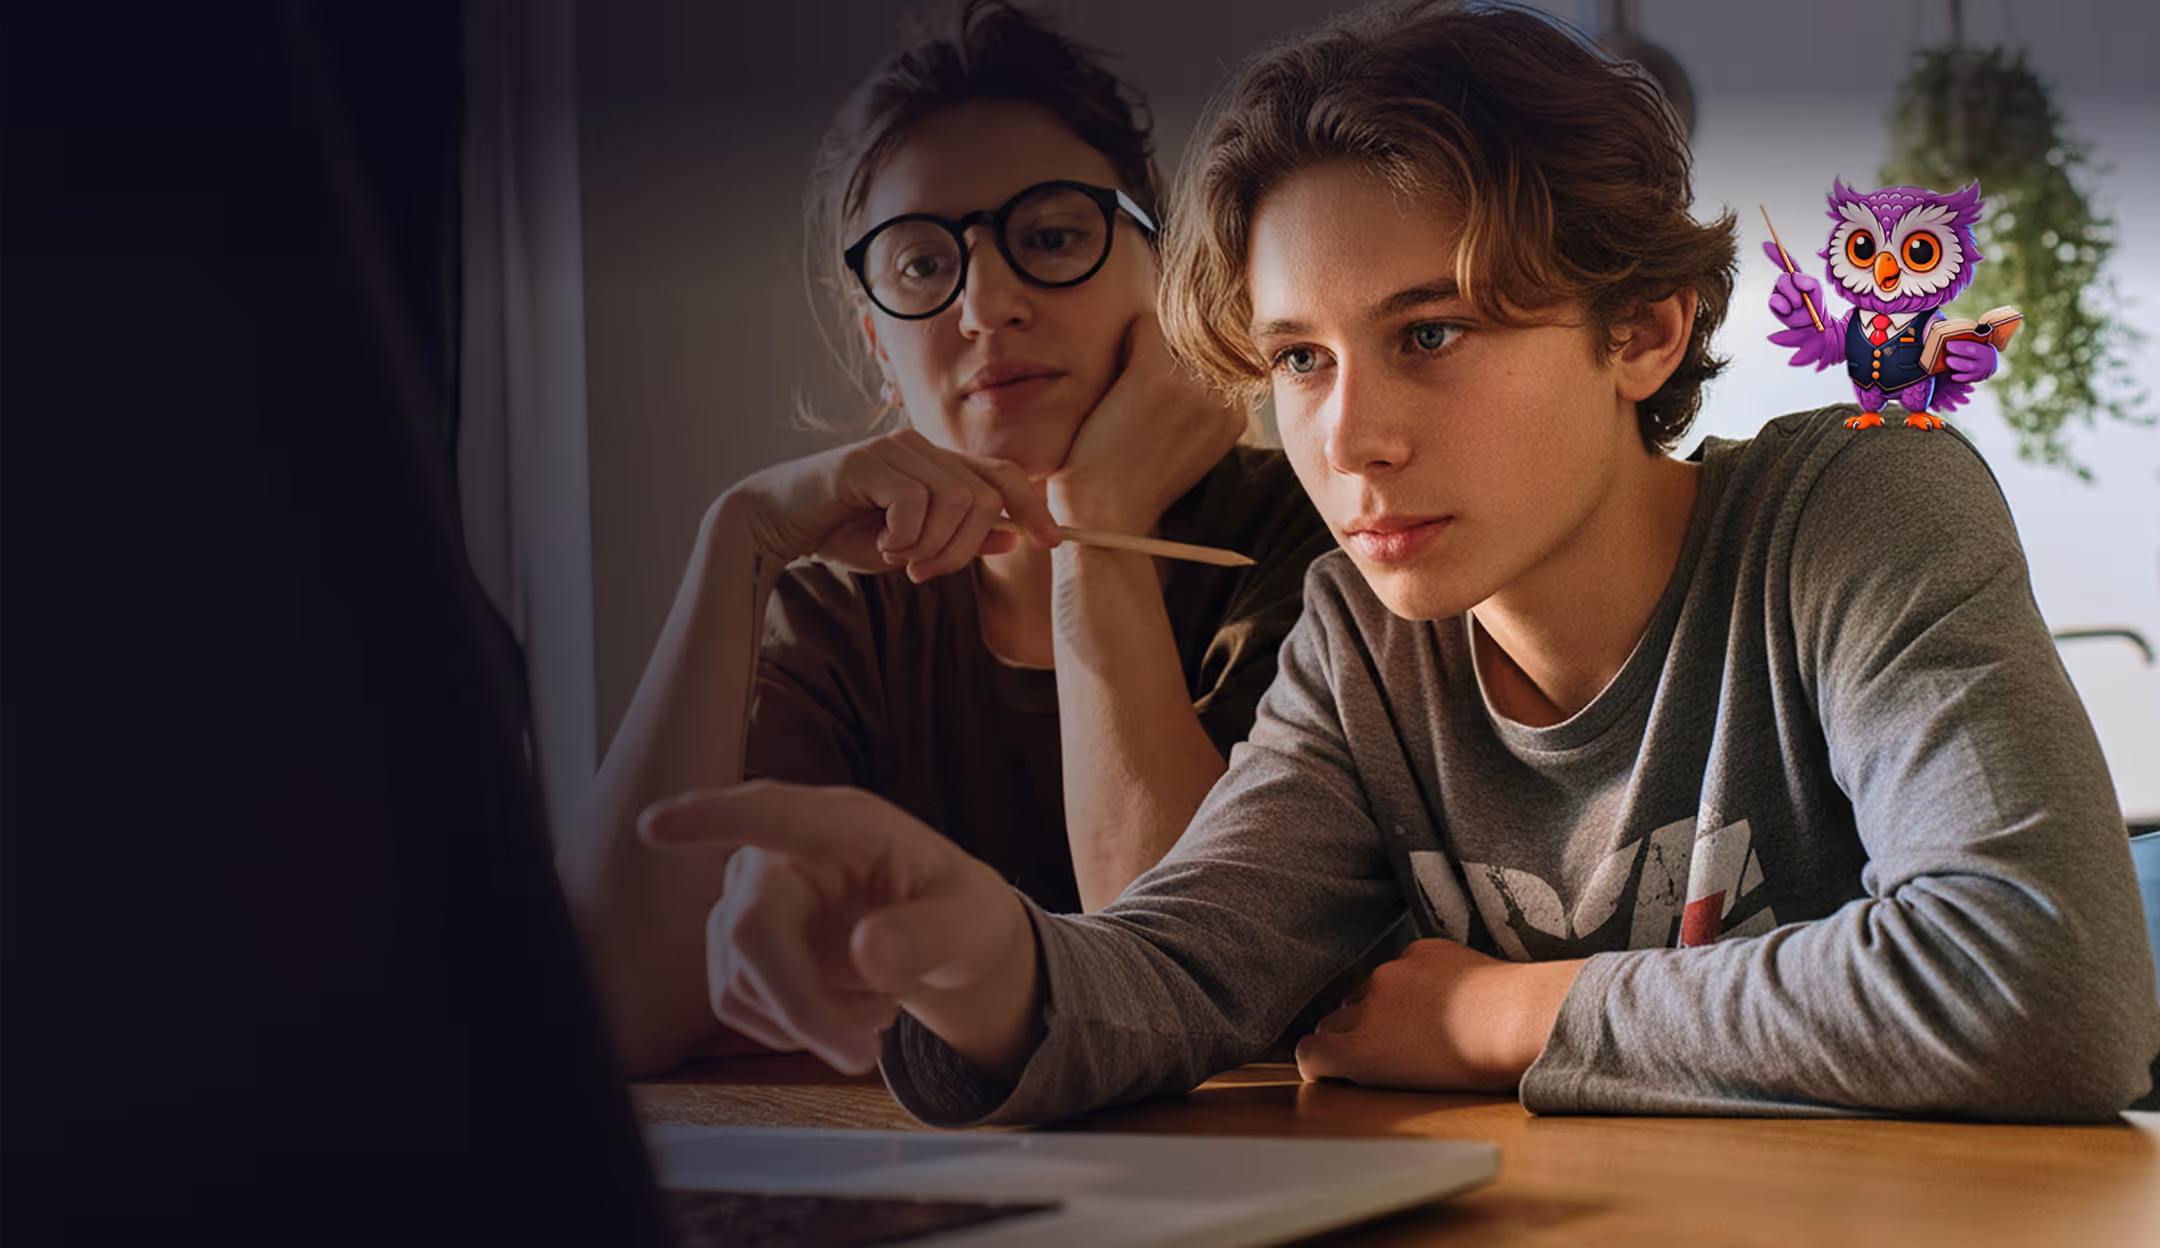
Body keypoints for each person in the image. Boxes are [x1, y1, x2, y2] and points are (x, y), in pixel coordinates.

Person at [642, 0, 2160, 1120]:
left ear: (1642, 330)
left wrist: (1506, 1014)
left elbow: (2044, 988)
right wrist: (987, 968)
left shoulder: (1859, 512)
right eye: (1301, 359)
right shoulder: (1361, 639)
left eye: (1430, 334)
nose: (1349, 439)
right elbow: (1186, 966)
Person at [561, 0, 1336, 1077]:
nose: (986, 306)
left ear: (1159, 271)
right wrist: (734, 542)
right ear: (880, 345)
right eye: (924, 265)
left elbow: (1185, 984)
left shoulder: (1310, 538)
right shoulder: (841, 608)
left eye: (1053, 237)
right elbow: (612, 1016)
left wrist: (1094, 524)